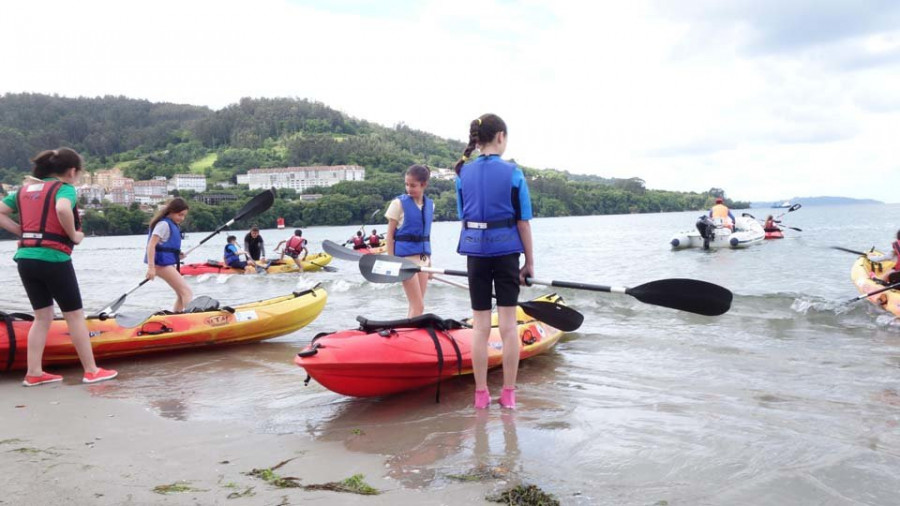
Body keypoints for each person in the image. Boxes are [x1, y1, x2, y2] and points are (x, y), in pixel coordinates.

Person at [0, 148, 117, 386]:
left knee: (41, 317)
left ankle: (34, 373)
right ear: (72, 171)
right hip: (53, 259)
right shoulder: (64, 189)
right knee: (74, 316)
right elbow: (63, 209)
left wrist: (20, 231)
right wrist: (74, 234)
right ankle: (92, 370)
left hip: (25, 259)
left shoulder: (22, 191)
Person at [454, 114, 534, 410]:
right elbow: (523, 223)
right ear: (500, 136)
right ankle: (509, 394)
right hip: (506, 253)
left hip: (475, 253)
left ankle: (480, 395)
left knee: (480, 327)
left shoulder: (462, 174)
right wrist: (529, 263)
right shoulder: (514, 173)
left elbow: (465, 219)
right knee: (509, 326)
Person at [385, 164, 434, 318]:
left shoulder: (430, 205)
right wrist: (392, 261)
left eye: (413, 185)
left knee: (417, 306)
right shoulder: (398, 204)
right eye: (406, 184)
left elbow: (426, 235)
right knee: (418, 305)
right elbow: (389, 236)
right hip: (405, 261)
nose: (408, 188)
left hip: (423, 260)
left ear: (424, 184)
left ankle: (409, 334)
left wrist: (430, 262)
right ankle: (412, 337)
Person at [145, 197, 192, 312]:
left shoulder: (171, 224)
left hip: (165, 263)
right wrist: (151, 268)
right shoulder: (164, 224)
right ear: (171, 211)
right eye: (180, 215)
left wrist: (177, 254)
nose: (182, 218)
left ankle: (177, 318)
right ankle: (195, 319)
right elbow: (151, 245)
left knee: (181, 294)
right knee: (187, 292)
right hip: (160, 265)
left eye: (184, 215)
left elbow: (165, 246)